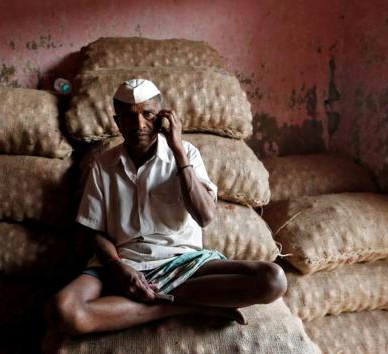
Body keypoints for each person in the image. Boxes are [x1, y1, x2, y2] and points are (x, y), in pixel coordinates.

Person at [43, 79, 287, 351]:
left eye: (147, 114)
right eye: (129, 116)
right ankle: (184, 307)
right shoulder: (104, 165)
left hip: (184, 263)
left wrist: (179, 150)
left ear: (161, 117)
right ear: (117, 121)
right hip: (123, 263)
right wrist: (116, 266)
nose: (139, 125)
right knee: (64, 311)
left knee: (272, 280)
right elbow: (94, 232)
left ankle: (161, 303)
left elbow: (205, 216)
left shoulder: (187, 153)